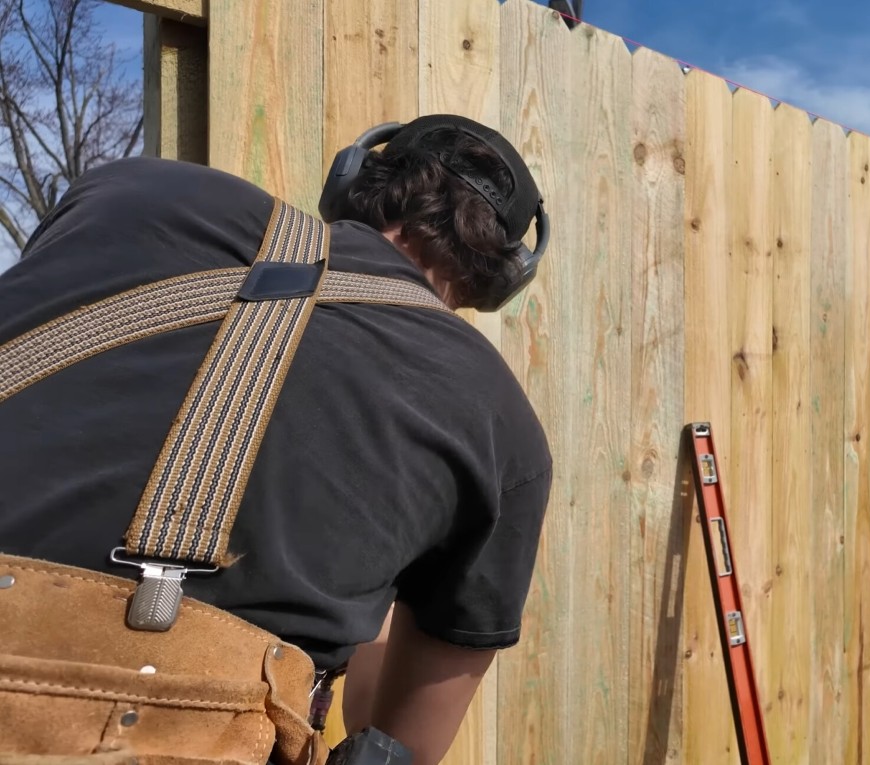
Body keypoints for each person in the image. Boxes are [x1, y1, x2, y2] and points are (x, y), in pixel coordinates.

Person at [0, 115, 554, 765]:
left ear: (352, 179)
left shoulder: (124, 189)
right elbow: (394, 739)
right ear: (502, 276)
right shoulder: (501, 420)